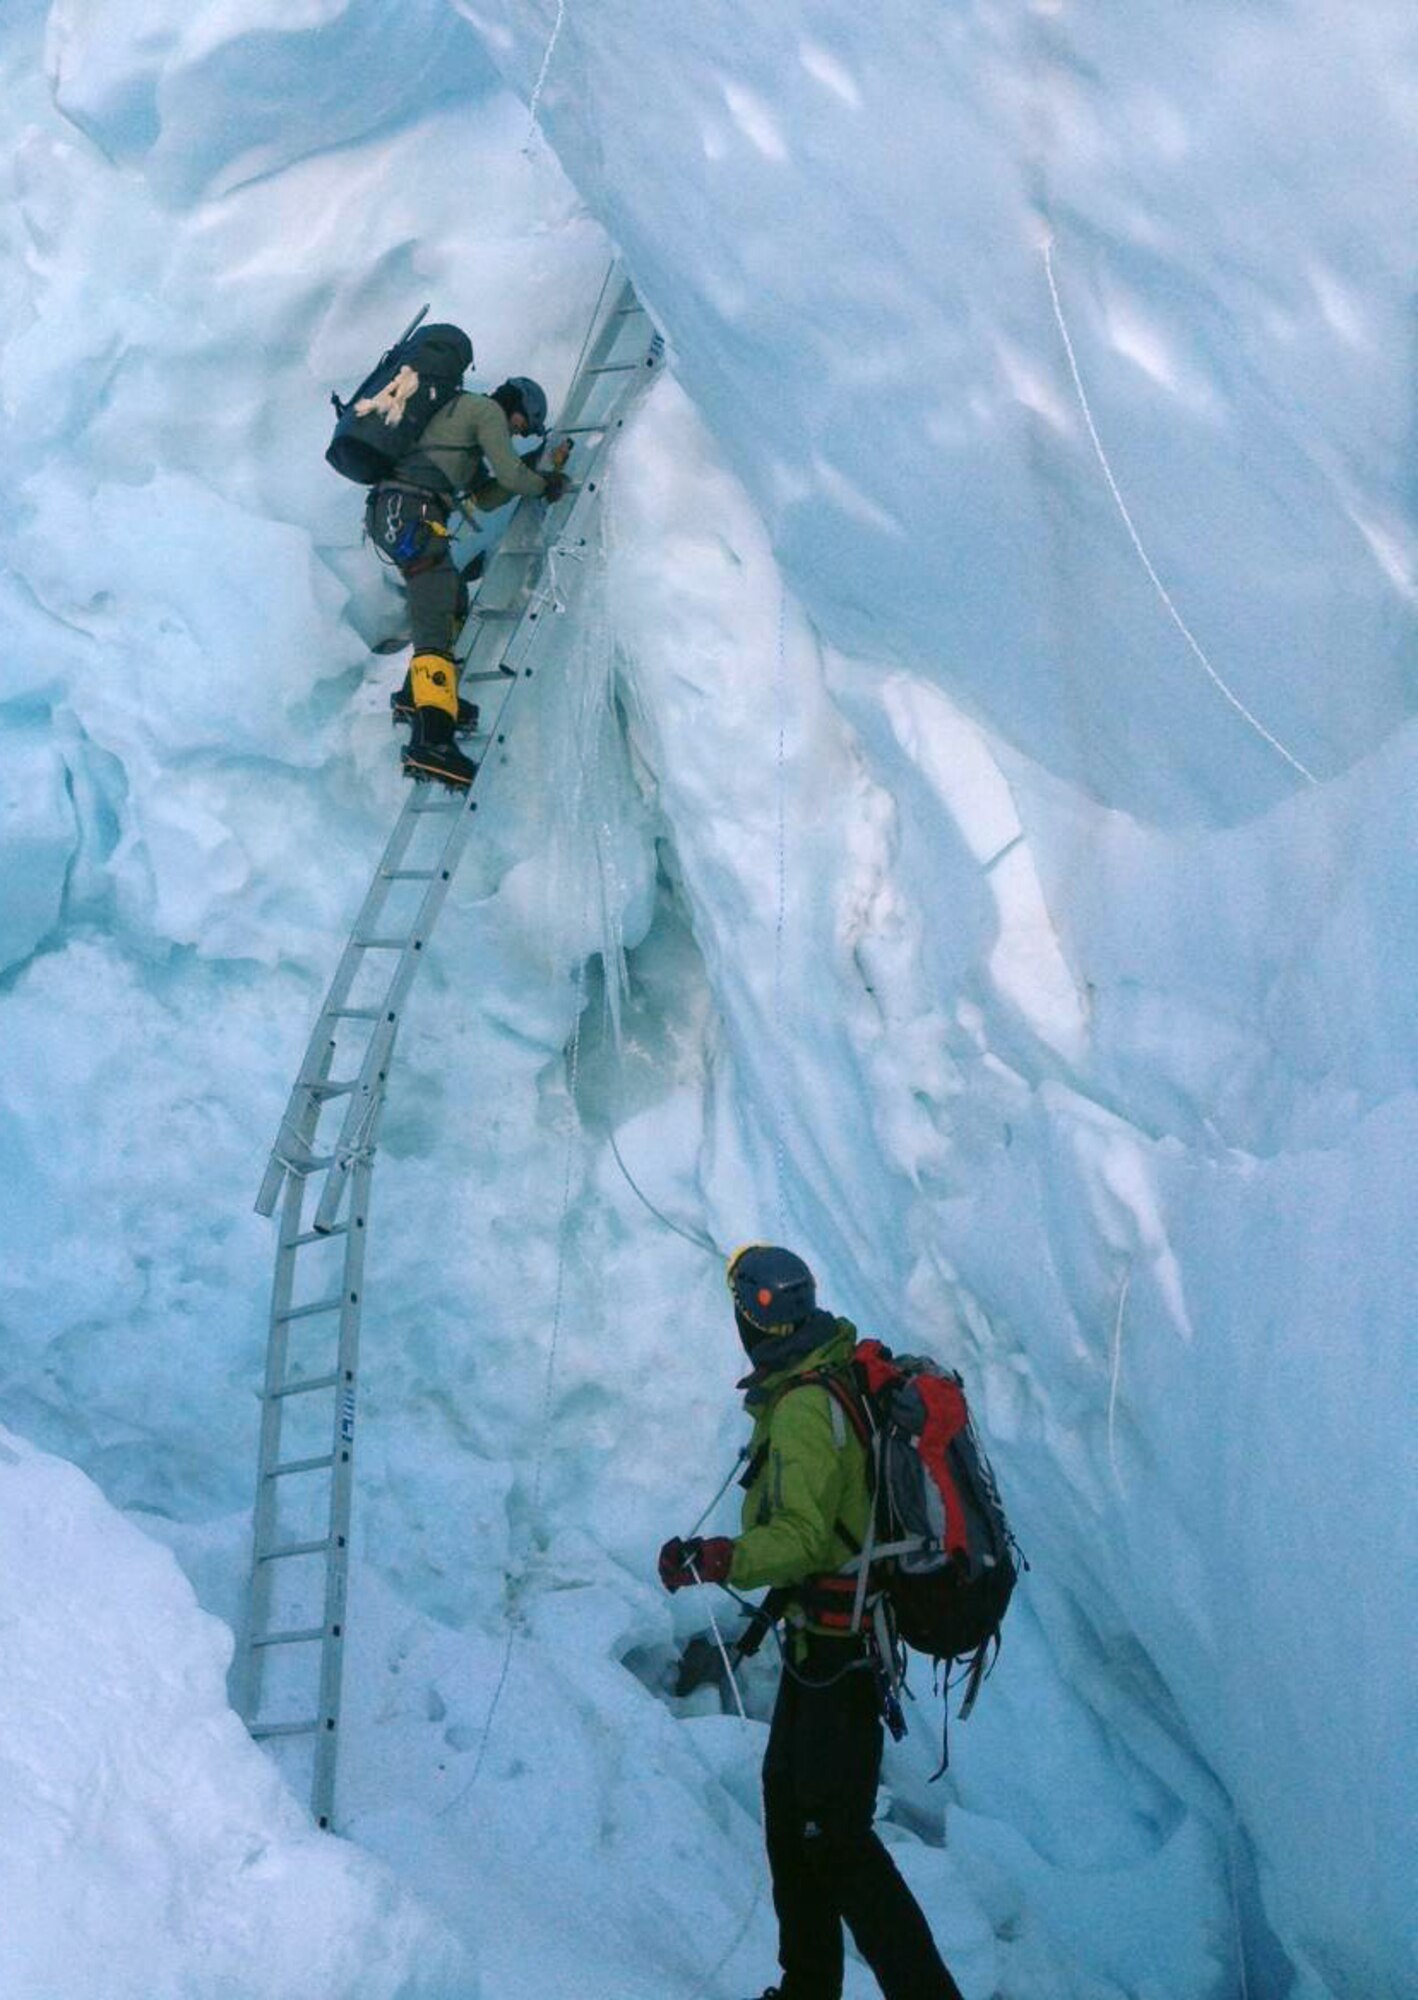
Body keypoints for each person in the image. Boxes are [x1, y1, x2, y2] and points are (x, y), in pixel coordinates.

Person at [658, 1245, 966, 2000]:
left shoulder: (802, 1406)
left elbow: (800, 1537)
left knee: (837, 1839)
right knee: (793, 1816)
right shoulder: (830, 1373)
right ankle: (807, 1990)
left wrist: (720, 1560)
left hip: (841, 1655)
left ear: (751, 1319)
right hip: (825, 1646)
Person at [366, 372, 572, 788]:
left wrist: (529, 469)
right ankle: (433, 743)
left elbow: (485, 495)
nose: (516, 434)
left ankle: (418, 702)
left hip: (399, 511)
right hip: (410, 511)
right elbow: (512, 480)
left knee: (452, 597)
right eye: (520, 427)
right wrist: (544, 481)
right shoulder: (485, 410)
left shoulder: (466, 423)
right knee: (437, 609)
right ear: (514, 407)